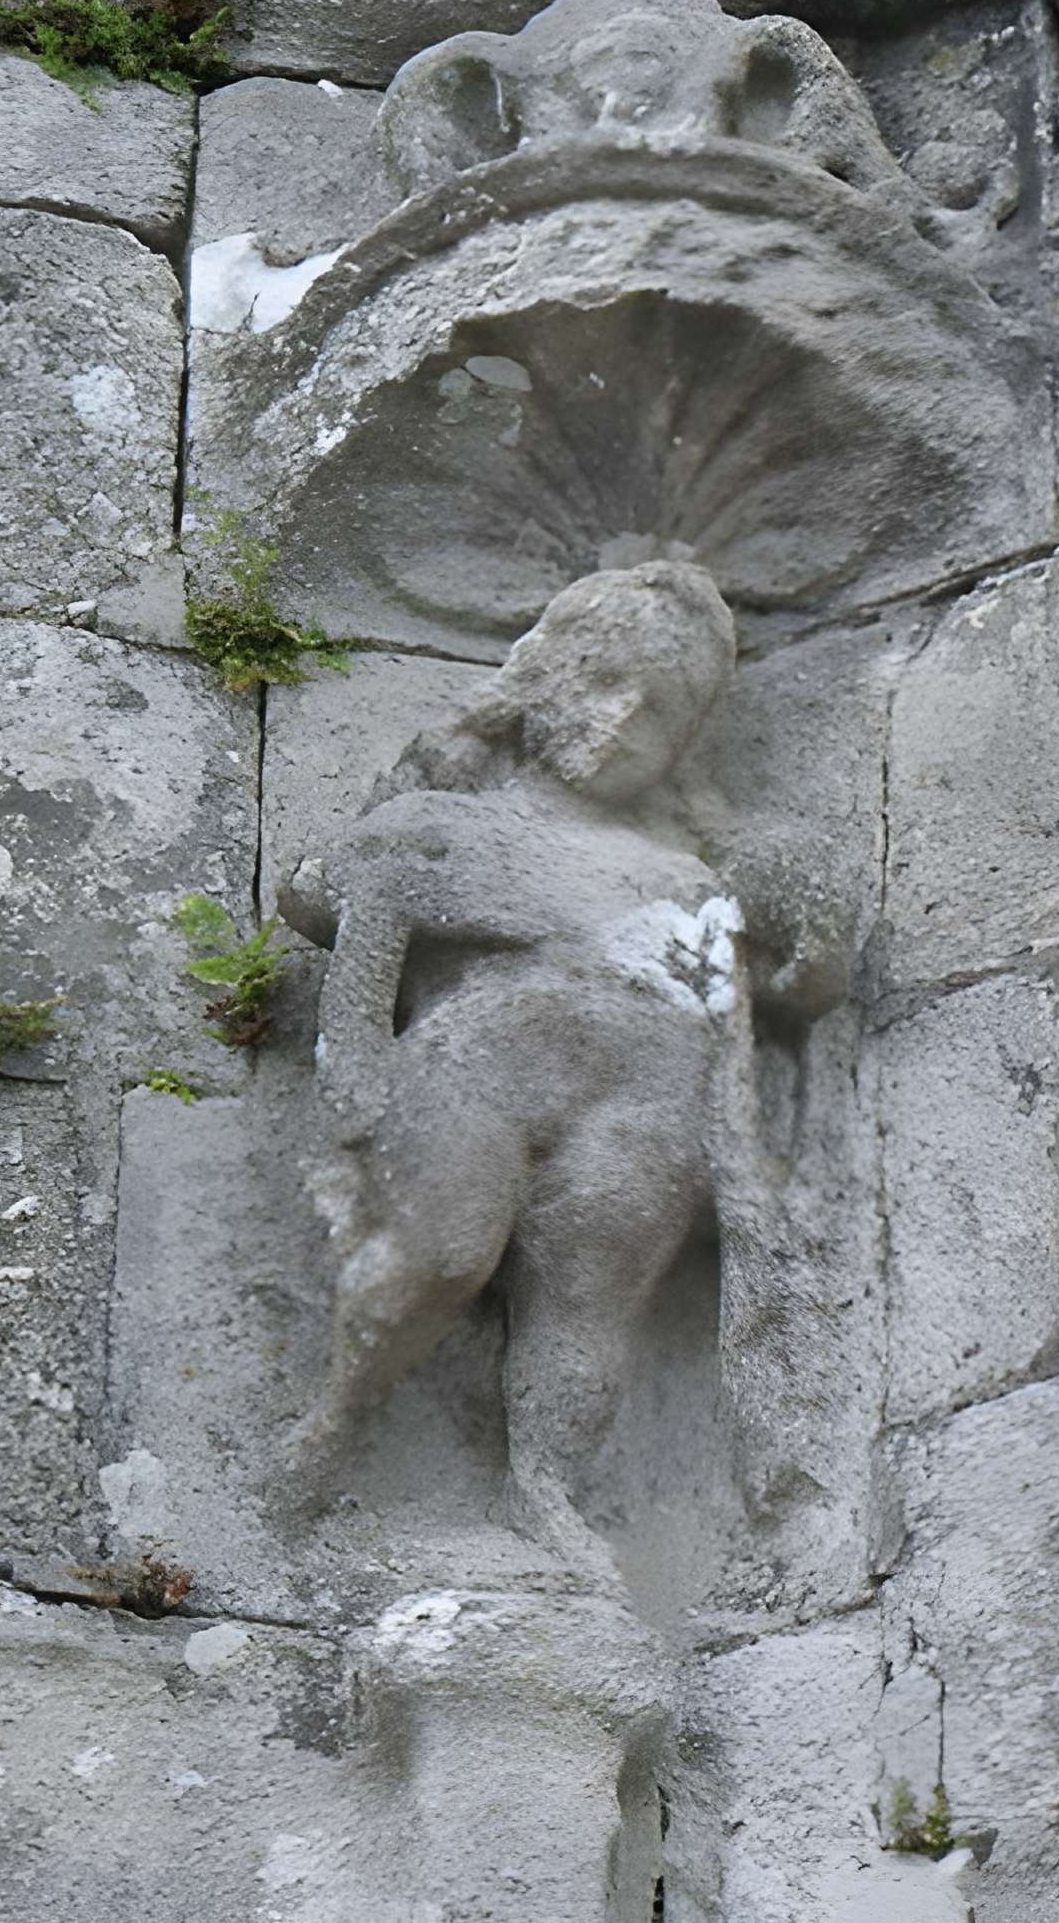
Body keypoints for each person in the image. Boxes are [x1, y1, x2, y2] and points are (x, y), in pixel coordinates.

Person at [275, 561, 750, 1576]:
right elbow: (332, 914)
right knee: (443, 1252)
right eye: (600, 679)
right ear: (542, 678)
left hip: (642, 1099)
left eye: (658, 711)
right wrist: (354, 1073)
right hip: (482, 1065)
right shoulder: (444, 829)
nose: (620, 721)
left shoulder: (682, 879)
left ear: (684, 747)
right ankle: (335, 1420)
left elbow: (722, 1020)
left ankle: (544, 1488)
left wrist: (731, 1151)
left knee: (590, 1301)